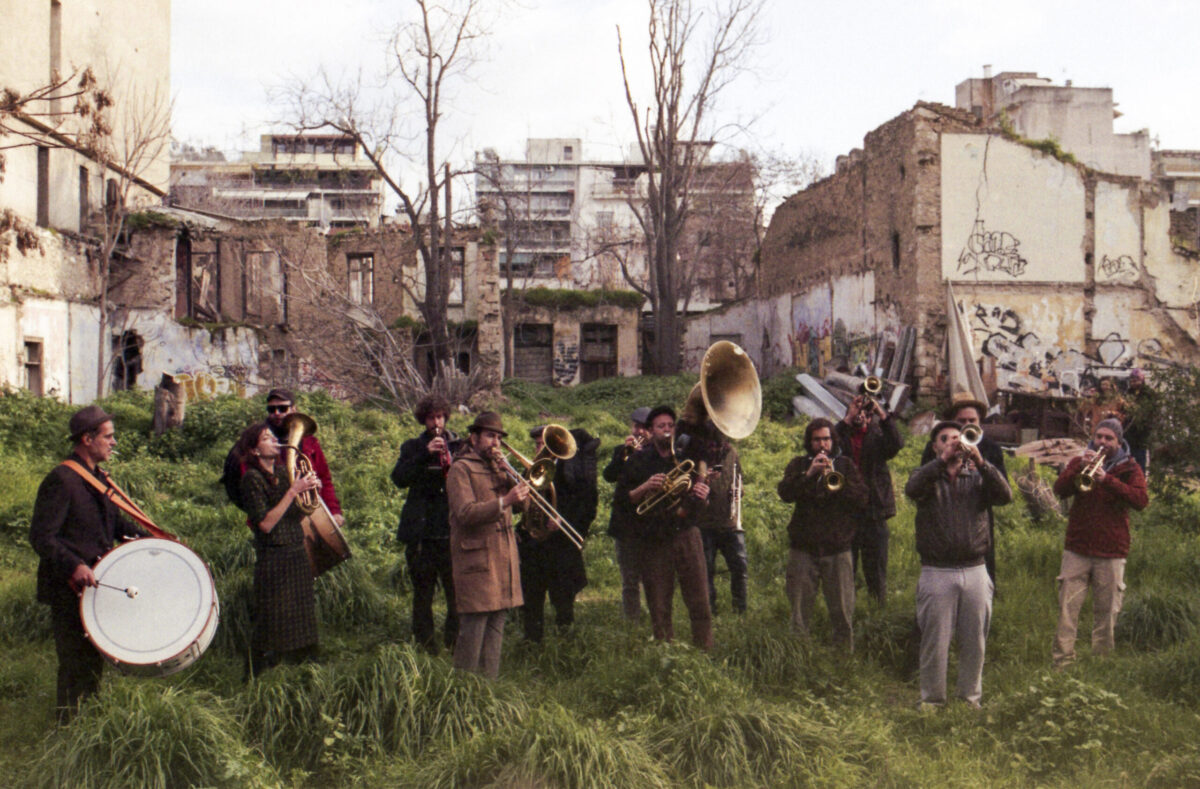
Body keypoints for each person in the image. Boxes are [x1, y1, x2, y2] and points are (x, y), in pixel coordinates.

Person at [29, 406, 149, 722]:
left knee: (92, 660)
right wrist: (74, 565)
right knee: (74, 662)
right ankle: (67, 729)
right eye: (108, 437)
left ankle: (89, 723)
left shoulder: (96, 478)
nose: (113, 442)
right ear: (87, 438)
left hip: (95, 585)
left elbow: (114, 524)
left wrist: (154, 541)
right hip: (68, 586)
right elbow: (42, 537)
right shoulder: (62, 479)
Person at [905, 420, 1012, 708]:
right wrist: (940, 462)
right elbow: (911, 489)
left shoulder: (977, 476)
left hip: (975, 568)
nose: (954, 442)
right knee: (935, 643)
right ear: (935, 446)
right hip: (936, 570)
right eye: (946, 439)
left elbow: (1005, 496)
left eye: (958, 437)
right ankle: (932, 700)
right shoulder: (927, 477)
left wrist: (982, 461)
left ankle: (969, 699)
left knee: (975, 641)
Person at [1051, 418, 1148, 667]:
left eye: (1109, 438)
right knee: (1067, 610)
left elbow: (1140, 500)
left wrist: (1107, 479)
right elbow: (1060, 490)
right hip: (1078, 547)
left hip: (1112, 550)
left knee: (1106, 613)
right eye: (1099, 437)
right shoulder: (1080, 460)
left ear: (1118, 442)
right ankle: (1062, 662)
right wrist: (1077, 468)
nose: (1102, 442)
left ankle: (1101, 664)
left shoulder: (1130, 468)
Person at [617, 405, 714, 650]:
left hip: (687, 533)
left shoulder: (686, 455)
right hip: (654, 539)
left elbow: (698, 496)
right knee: (659, 603)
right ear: (650, 431)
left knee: (699, 598)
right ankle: (664, 653)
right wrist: (646, 487)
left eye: (671, 426)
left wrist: (703, 494)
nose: (667, 431)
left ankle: (704, 650)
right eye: (661, 427)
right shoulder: (638, 460)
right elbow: (623, 498)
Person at [236, 421, 323, 676]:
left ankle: (303, 669)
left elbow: (296, 514)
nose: (275, 440)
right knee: (271, 618)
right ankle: (255, 675)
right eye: (266, 438)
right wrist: (294, 490)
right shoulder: (251, 479)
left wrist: (309, 491)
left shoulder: (285, 473)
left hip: (295, 548)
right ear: (254, 450)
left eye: (274, 437)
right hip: (273, 555)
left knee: (302, 614)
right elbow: (265, 523)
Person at [446, 412, 529, 678]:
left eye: (498, 438)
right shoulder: (461, 468)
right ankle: (464, 690)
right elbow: (465, 513)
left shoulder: (497, 466)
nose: (495, 443)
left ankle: (487, 691)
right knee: (474, 627)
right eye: (490, 436)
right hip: (477, 560)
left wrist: (512, 478)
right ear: (474, 437)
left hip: (502, 557)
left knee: (497, 625)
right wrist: (505, 501)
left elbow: (524, 506)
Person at [777, 417, 868, 650]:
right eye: (817, 440)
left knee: (842, 611)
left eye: (826, 439)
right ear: (810, 442)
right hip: (803, 548)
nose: (822, 444)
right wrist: (809, 475)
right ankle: (799, 657)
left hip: (838, 548)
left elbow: (861, 499)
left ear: (832, 440)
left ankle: (843, 662)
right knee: (798, 611)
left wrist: (838, 481)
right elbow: (785, 493)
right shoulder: (798, 464)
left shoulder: (845, 465)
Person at [517, 425, 600, 641]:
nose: (540, 450)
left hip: (561, 546)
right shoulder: (531, 470)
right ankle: (532, 645)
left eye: (544, 445)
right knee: (531, 600)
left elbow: (588, 505)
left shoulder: (573, 470)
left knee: (563, 600)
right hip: (533, 546)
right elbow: (519, 506)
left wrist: (563, 520)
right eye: (537, 445)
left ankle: (566, 647)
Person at [391, 395, 460, 653]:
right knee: (423, 595)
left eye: (440, 417)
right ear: (424, 420)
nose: (436, 422)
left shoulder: (458, 445)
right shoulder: (412, 447)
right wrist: (424, 455)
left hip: (452, 531)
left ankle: (454, 643)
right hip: (422, 532)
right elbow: (398, 478)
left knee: (457, 595)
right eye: (431, 418)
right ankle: (426, 646)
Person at [919, 392, 1009, 587]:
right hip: (942, 517)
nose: (968, 424)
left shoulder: (990, 448)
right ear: (952, 421)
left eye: (972, 420)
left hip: (977, 516)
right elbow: (922, 486)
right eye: (962, 420)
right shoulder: (936, 446)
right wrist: (945, 459)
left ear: (980, 423)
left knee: (983, 567)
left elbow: (1002, 493)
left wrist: (982, 469)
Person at [835, 384, 904, 605]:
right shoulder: (842, 435)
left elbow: (897, 444)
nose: (861, 417)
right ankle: (847, 611)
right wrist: (847, 418)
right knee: (847, 568)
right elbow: (827, 447)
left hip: (874, 511)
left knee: (876, 570)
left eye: (866, 413)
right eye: (858, 412)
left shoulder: (877, 435)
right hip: (847, 512)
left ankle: (878, 611)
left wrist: (882, 414)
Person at [678, 402, 746, 617]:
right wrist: (704, 479)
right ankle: (711, 612)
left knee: (740, 567)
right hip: (705, 522)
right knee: (706, 570)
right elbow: (687, 485)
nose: (720, 437)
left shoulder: (731, 453)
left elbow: (739, 478)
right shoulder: (697, 456)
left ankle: (740, 611)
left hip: (729, 522)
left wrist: (740, 490)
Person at [264, 388, 344, 527]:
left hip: (307, 512)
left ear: (294, 409)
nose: (277, 413)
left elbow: (324, 478)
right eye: (272, 410)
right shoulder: (261, 441)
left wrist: (334, 511)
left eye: (283, 408)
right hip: (275, 515)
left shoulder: (310, 442)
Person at [602, 406, 651, 621]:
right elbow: (609, 476)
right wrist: (623, 456)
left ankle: (654, 617)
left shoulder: (659, 454)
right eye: (636, 426)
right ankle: (632, 620)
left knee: (651, 575)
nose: (639, 432)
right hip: (625, 522)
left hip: (650, 522)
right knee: (629, 578)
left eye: (644, 428)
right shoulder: (621, 451)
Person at [1122, 369, 1155, 474]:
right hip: (1128, 430)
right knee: (1127, 455)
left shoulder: (1148, 394)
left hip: (1141, 431)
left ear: (1142, 380)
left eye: (1136, 380)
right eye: (1132, 380)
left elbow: (1151, 411)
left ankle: (1140, 480)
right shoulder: (1128, 393)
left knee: (1140, 457)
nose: (1134, 383)